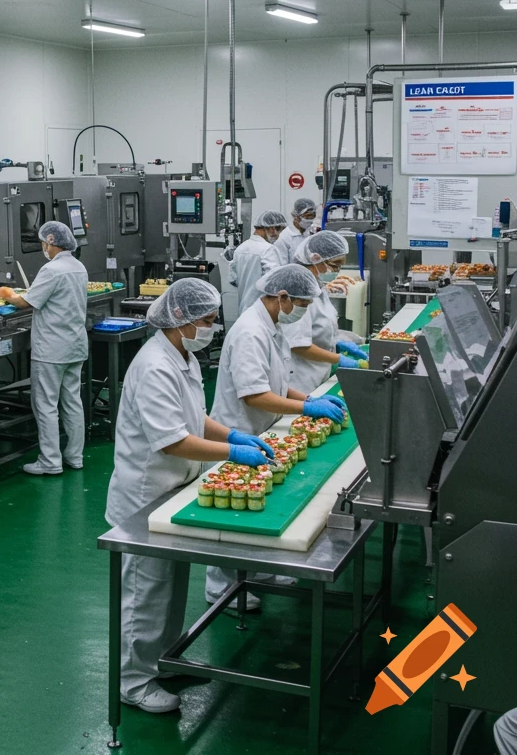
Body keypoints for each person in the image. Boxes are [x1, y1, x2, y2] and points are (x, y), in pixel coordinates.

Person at [106, 279, 273, 714]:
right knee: (145, 594)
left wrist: (233, 432)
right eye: (207, 319)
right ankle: (133, 682)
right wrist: (234, 453)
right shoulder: (154, 366)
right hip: (146, 492)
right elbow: (174, 441)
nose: (213, 327)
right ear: (179, 319)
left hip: (173, 489)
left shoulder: (181, 354)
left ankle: (159, 662)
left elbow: (194, 416)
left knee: (171, 590)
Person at [205, 263, 346, 609]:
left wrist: (308, 398)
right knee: (231, 514)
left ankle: (260, 573)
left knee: (257, 508)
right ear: (281, 297)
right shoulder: (250, 332)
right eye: (301, 303)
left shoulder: (272, 326)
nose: (304, 311)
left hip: (261, 426)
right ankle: (220, 585)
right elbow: (254, 395)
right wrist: (307, 410)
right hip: (240, 428)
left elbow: (278, 384)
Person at [0, 220, 89, 476]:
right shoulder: (78, 267)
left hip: (52, 350)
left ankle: (50, 461)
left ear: (51, 242)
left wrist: (6, 295)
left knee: (46, 404)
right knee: (72, 402)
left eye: (43, 243)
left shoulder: (52, 270)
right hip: (75, 345)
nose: (43, 248)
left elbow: (25, 302)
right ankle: (75, 456)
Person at [284, 230, 367, 394]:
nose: (337, 270)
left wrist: (336, 343)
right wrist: (338, 358)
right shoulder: (299, 291)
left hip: (318, 374)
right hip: (300, 380)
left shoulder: (316, 286)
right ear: (315, 259)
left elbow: (318, 329)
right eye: (335, 264)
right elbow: (298, 344)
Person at [229, 209, 286, 315]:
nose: (278, 236)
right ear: (272, 229)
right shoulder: (268, 250)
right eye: (279, 231)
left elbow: (233, 279)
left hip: (244, 308)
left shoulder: (241, 248)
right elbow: (275, 283)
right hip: (262, 310)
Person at [274, 197, 319, 265]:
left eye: (313, 216)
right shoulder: (284, 238)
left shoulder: (310, 234)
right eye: (307, 216)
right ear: (296, 216)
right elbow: (282, 266)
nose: (310, 219)